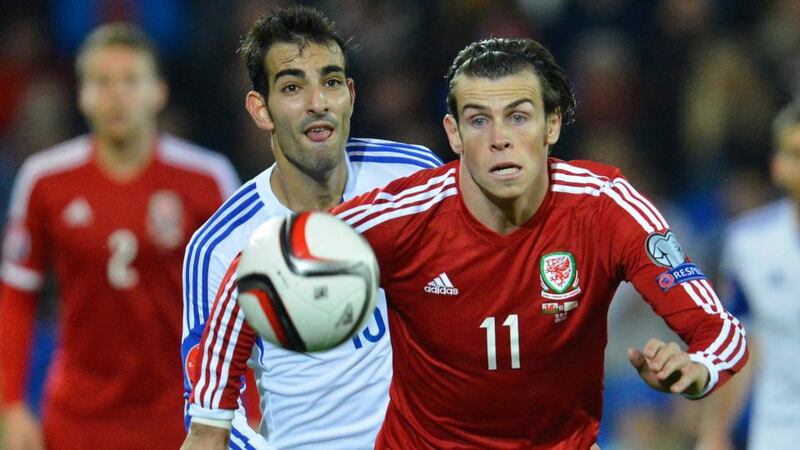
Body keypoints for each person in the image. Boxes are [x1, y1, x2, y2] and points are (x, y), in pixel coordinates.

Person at [215, 37, 749, 448]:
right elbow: (257, 267)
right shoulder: (405, 216)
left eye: (518, 116)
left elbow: (722, 331)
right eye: (478, 120)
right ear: (452, 134)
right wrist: (210, 421)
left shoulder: (606, 207)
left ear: (552, 124)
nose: (499, 139)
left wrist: (696, 371)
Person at [179, 7, 442, 449]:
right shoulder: (221, 246)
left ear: (351, 97)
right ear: (260, 109)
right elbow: (208, 414)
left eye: (332, 82)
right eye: (293, 87)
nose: (318, 102)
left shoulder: (413, 176)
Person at [0, 24, 239, 450]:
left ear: (158, 92)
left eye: (130, 80)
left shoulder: (208, 179)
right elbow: (17, 294)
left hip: (182, 415)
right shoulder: (45, 180)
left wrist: (246, 406)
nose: (116, 95)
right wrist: (11, 403)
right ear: (82, 95)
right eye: (102, 82)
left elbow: (240, 302)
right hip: (77, 417)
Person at [694, 100, 800, 450]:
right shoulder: (750, 245)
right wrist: (714, 433)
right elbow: (740, 342)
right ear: (777, 166)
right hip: (779, 435)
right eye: (796, 154)